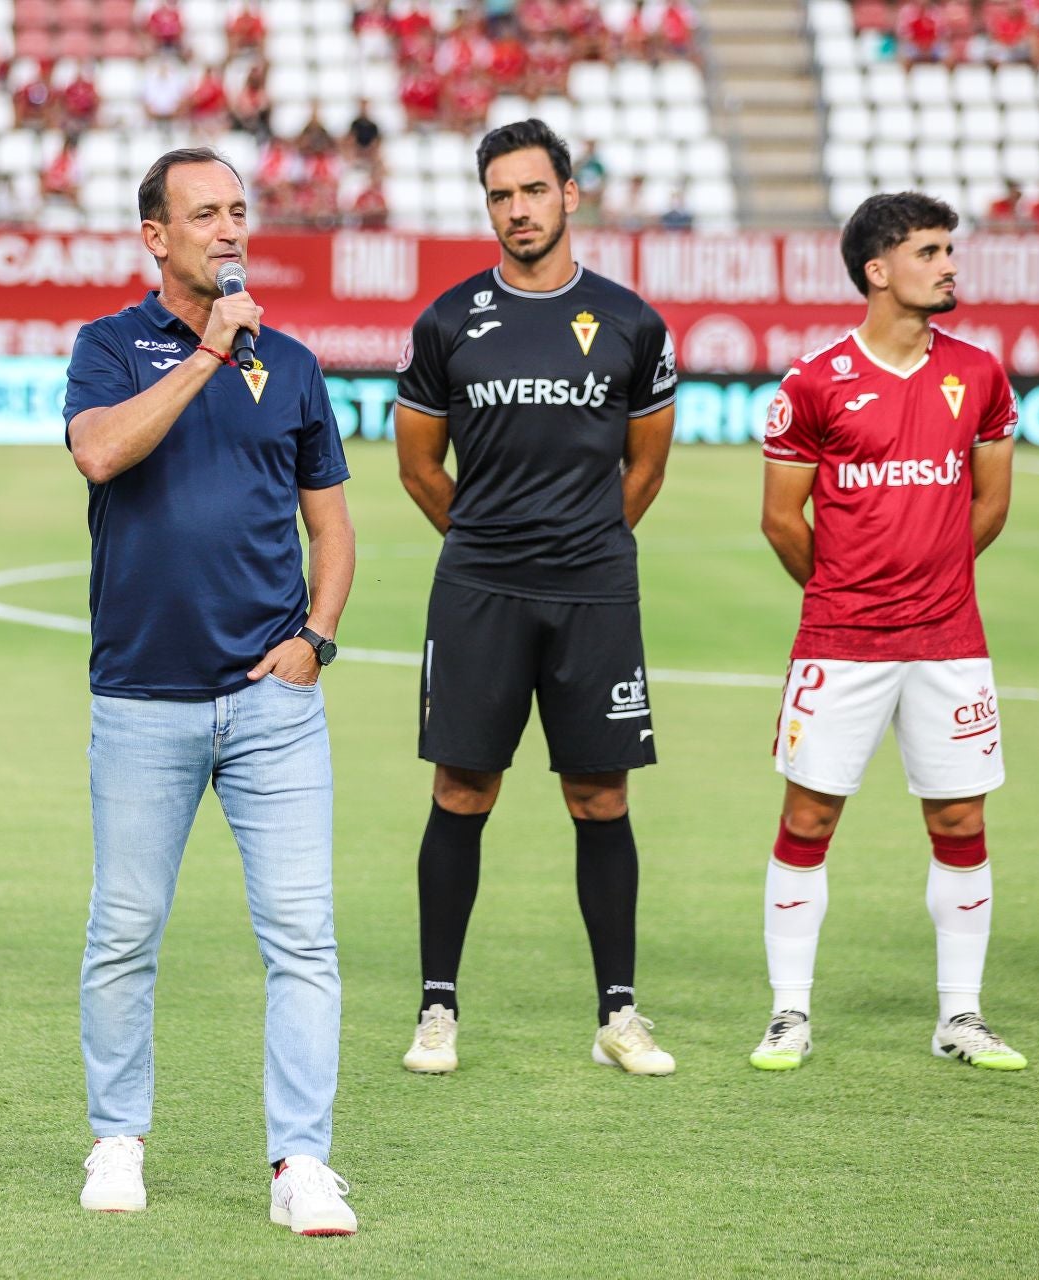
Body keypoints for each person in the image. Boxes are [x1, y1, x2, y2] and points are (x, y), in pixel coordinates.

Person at [63, 147, 358, 1235]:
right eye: (204, 214)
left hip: (273, 704)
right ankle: (117, 1139)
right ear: (156, 236)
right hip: (143, 697)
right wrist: (206, 353)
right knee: (125, 930)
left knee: (303, 937)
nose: (230, 229)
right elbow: (101, 453)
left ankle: (302, 1161)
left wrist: (316, 639)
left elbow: (332, 525)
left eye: (239, 210)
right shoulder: (109, 347)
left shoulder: (296, 365)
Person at [391, 119, 678, 1078]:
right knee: (461, 790)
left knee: (600, 796)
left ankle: (619, 1015)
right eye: (500, 196)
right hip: (480, 589)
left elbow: (647, 466)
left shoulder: (631, 322)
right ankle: (437, 1009)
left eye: (532, 191)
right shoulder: (446, 322)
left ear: (569, 194)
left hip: (595, 592)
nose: (518, 210)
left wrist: (582, 543)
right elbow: (419, 467)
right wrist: (489, 543)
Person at [752, 192, 1023, 1073]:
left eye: (949, 250)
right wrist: (846, 591)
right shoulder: (813, 382)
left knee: (960, 817)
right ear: (878, 269)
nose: (949, 265)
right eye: (929, 251)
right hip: (841, 641)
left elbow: (989, 506)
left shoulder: (980, 374)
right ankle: (789, 1013)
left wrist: (931, 581)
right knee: (808, 815)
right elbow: (782, 520)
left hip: (950, 640)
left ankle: (961, 1016)